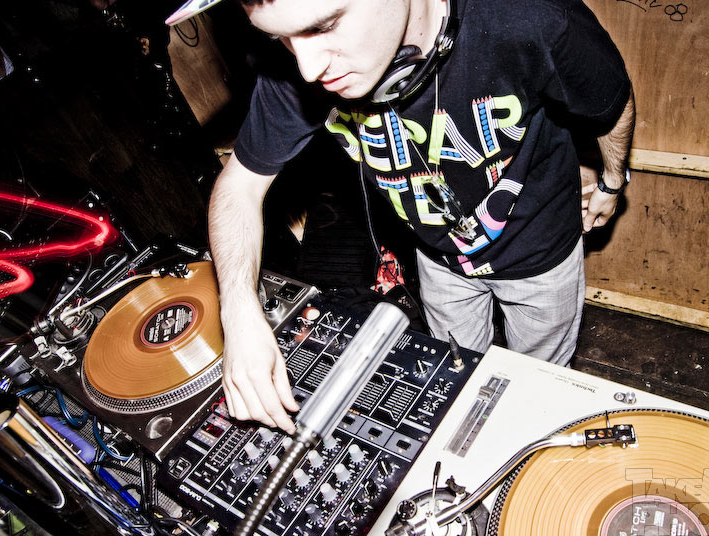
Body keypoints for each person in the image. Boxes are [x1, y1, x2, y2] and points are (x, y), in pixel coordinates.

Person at [167, 0, 635, 433]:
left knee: (539, 386)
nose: (307, 69)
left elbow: (610, 103)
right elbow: (239, 186)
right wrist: (238, 312)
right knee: (456, 376)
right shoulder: (295, 67)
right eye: (281, 38)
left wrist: (612, 182)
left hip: (541, 253)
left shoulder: (531, 17)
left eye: (325, 26)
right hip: (437, 258)